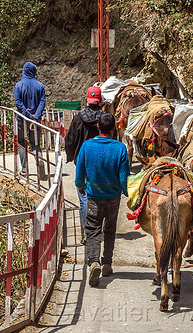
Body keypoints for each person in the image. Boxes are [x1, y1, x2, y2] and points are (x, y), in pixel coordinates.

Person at [75, 113, 130, 287]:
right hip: (113, 197)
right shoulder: (120, 148)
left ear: (98, 127)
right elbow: (123, 177)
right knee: (110, 229)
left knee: (92, 231)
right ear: (114, 128)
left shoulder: (87, 146)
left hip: (93, 197)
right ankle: (107, 263)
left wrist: (80, 185)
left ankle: (93, 262)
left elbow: (79, 173)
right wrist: (126, 192)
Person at [65, 86, 104, 241]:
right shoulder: (105, 117)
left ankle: (88, 233)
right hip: (102, 163)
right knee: (100, 197)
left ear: (87, 99)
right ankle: (98, 231)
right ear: (100, 100)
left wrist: (72, 156)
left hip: (83, 162)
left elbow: (69, 140)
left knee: (84, 197)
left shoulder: (78, 117)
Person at [14, 61, 46, 180]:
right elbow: (42, 102)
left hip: (22, 119)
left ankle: (24, 169)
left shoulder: (18, 85)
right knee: (35, 143)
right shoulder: (40, 86)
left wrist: (27, 115)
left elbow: (18, 102)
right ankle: (40, 165)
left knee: (22, 143)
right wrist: (35, 117)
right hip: (35, 120)